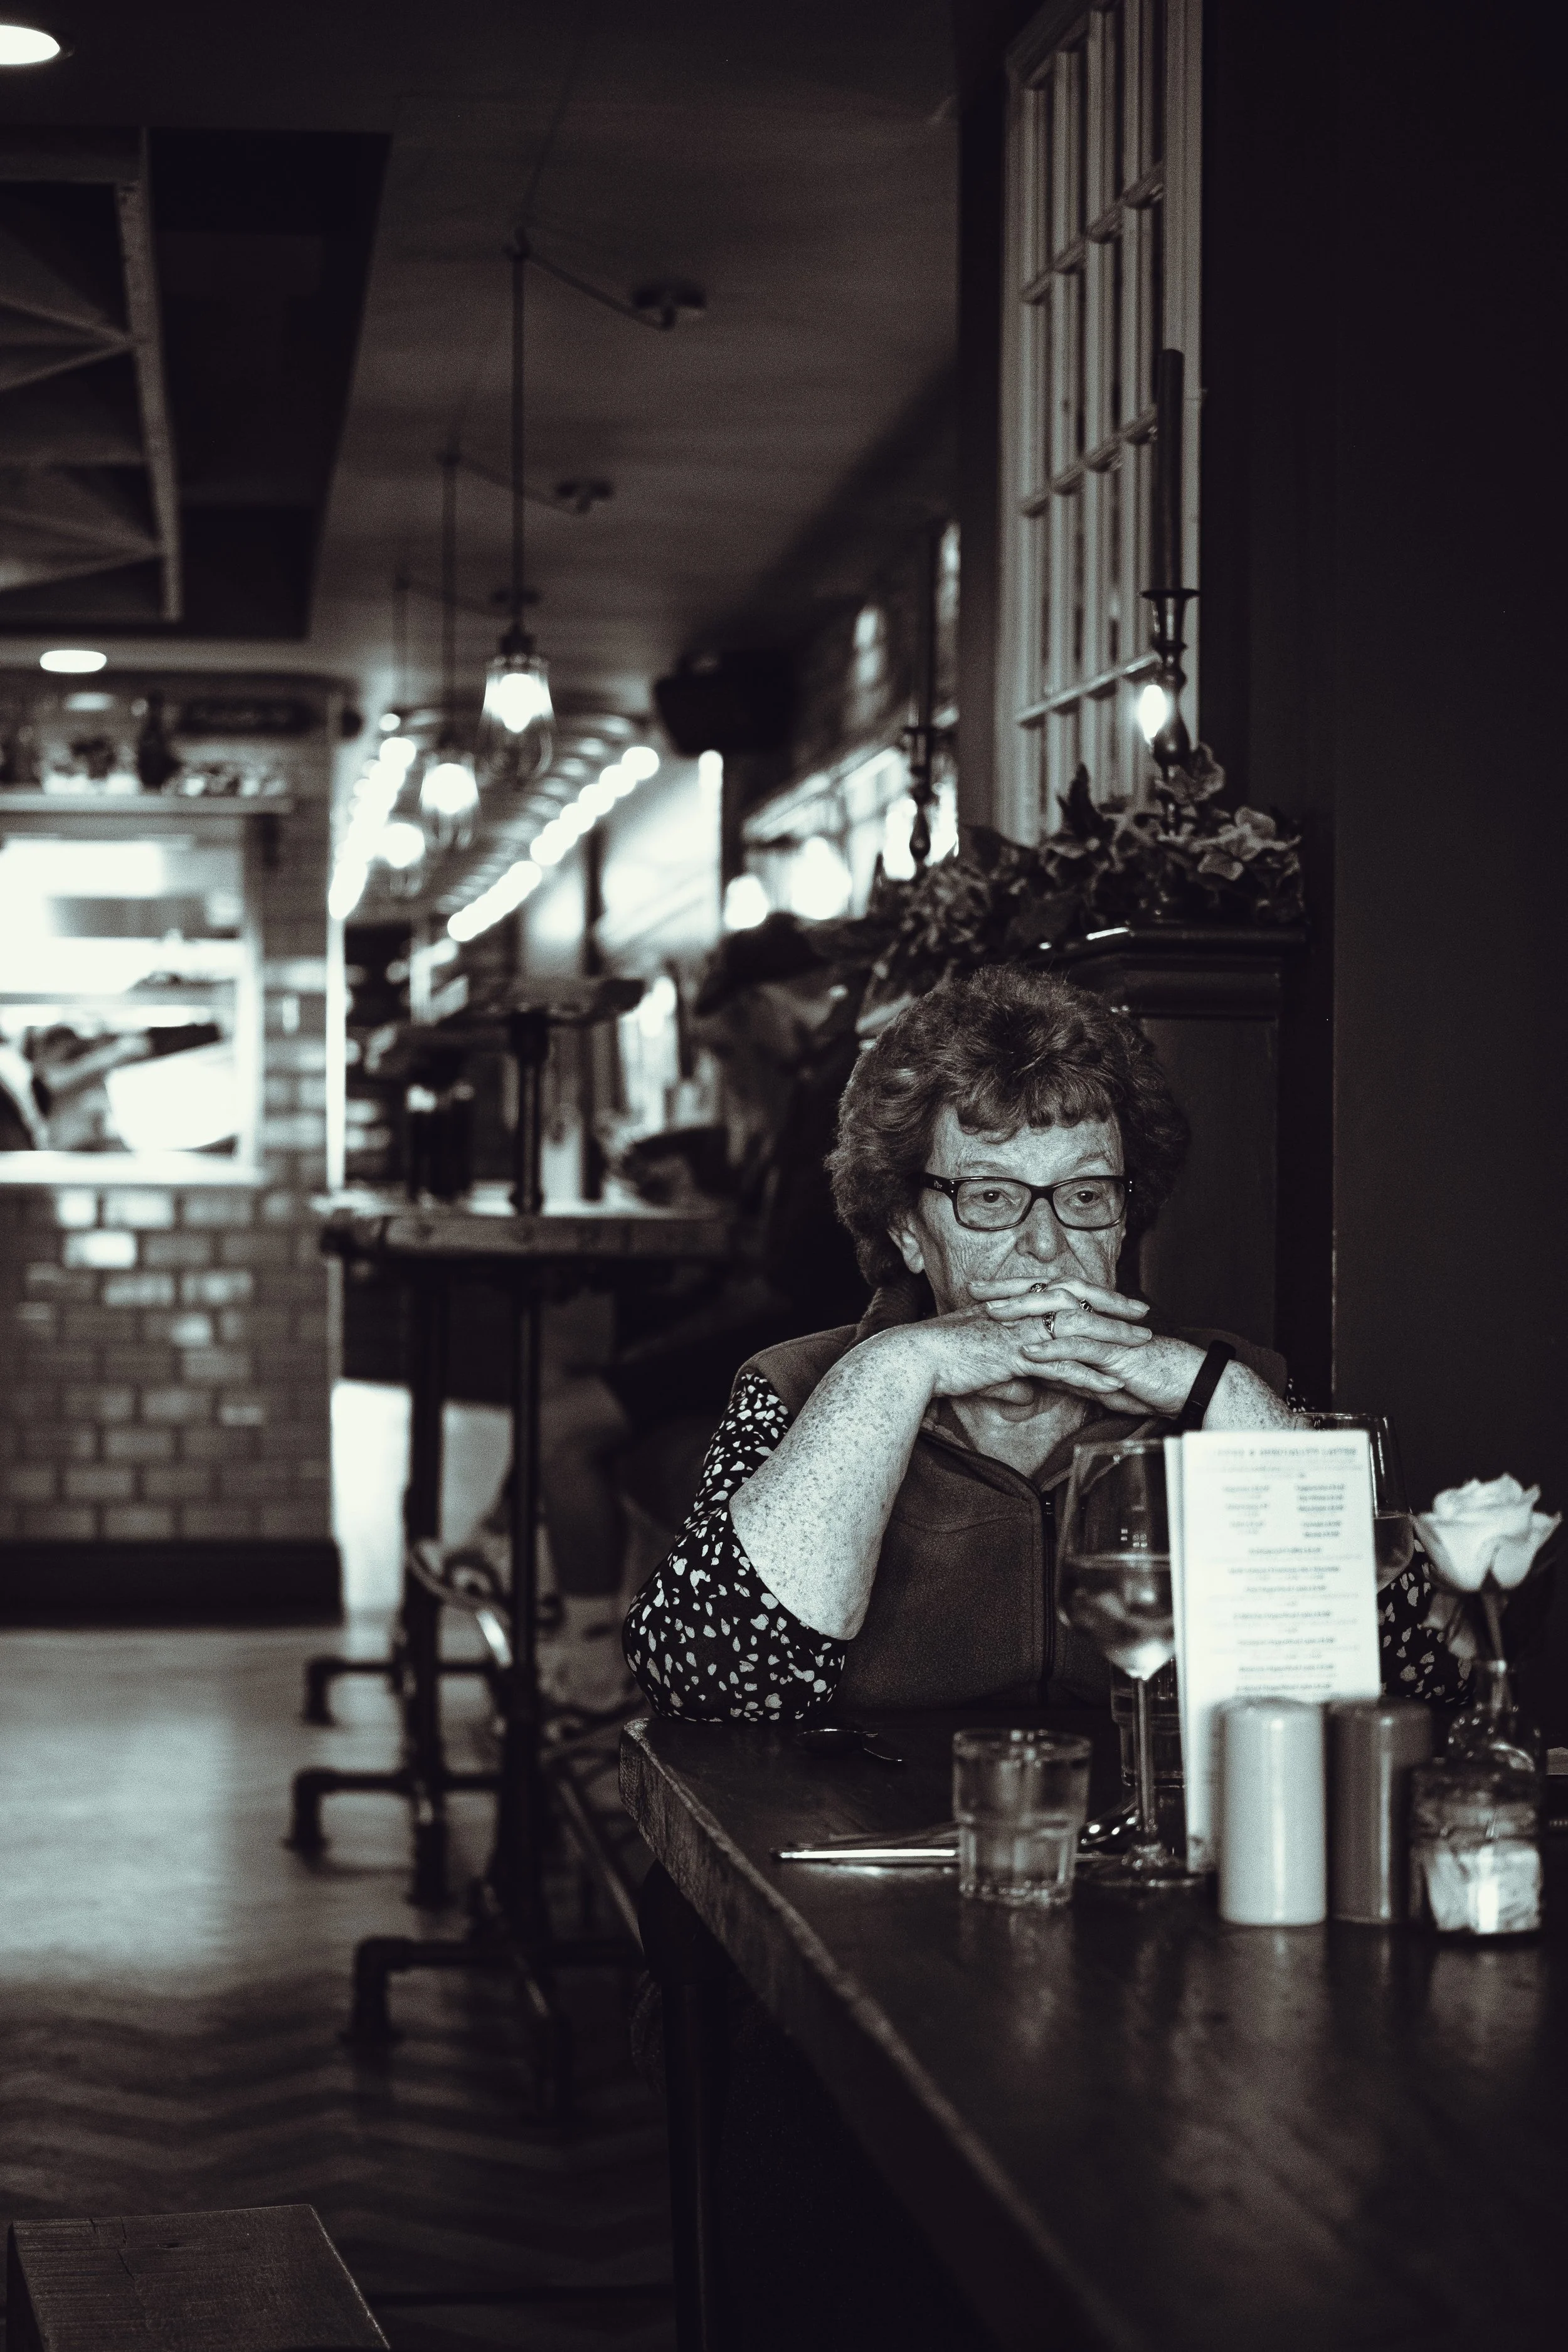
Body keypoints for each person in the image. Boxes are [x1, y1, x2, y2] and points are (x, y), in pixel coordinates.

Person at [624, 963, 1468, 1719]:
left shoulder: (1238, 1385)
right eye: (991, 1197)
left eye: (1085, 1194)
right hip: (844, 1866)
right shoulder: (797, 1386)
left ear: (1126, 1214)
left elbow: (1412, 1681)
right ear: (910, 1230)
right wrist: (896, 1365)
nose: (1044, 1245)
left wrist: (1211, 1387)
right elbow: (709, 1683)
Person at [438, 914, 872, 1712]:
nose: (724, 1068)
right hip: (783, 1336)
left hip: (792, 1353)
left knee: (564, 1424)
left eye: (723, 1049)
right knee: (567, 1344)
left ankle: (591, 1649)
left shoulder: (830, 1088)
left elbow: (791, 1276)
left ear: (762, 1010)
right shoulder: (808, 1093)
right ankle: (519, 1551)